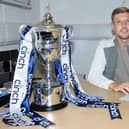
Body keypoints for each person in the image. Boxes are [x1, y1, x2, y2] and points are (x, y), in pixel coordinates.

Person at [88, 7, 129, 95]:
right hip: (113, 94)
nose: (124, 25)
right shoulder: (104, 46)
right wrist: (114, 85)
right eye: (119, 22)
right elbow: (93, 76)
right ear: (113, 27)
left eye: (127, 21)